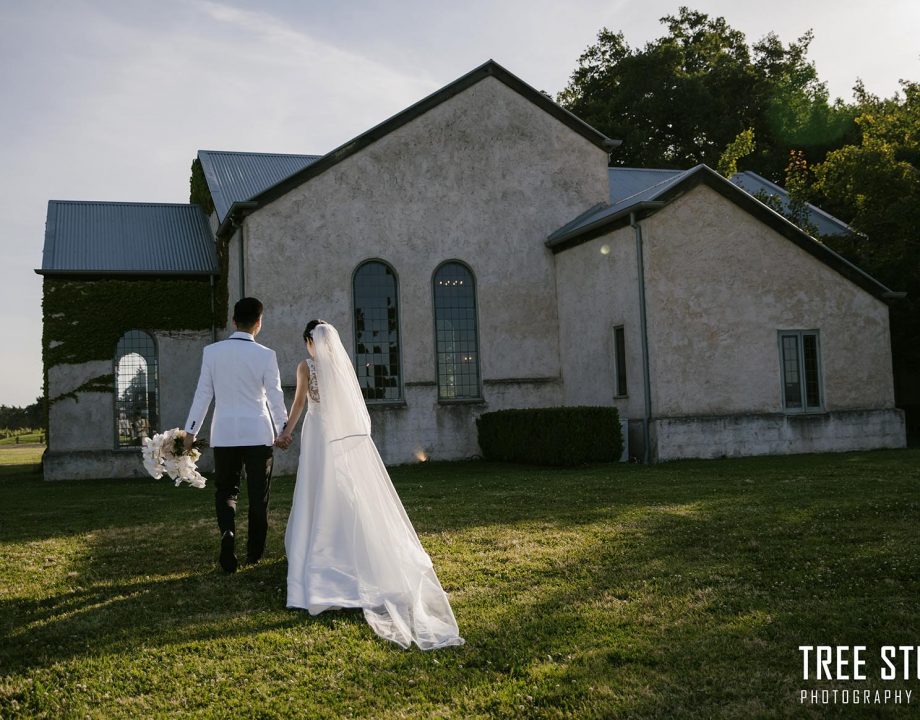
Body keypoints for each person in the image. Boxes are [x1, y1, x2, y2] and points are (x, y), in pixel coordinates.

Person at [276, 320, 463, 650]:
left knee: (316, 491)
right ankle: (349, 547)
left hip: (318, 435)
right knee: (342, 491)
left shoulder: (306, 367)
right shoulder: (341, 367)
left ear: (309, 341)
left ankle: (319, 557)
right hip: (340, 437)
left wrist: (286, 431)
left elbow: (300, 404)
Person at [184, 297, 289, 573]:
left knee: (227, 490)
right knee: (258, 496)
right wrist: (284, 430)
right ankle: (254, 555)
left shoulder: (212, 352)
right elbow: (276, 397)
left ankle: (228, 533)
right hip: (258, 433)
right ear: (259, 323)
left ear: (233, 321)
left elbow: (203, 395)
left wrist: (190, 431)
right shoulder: (267, 355)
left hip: (225, 433)